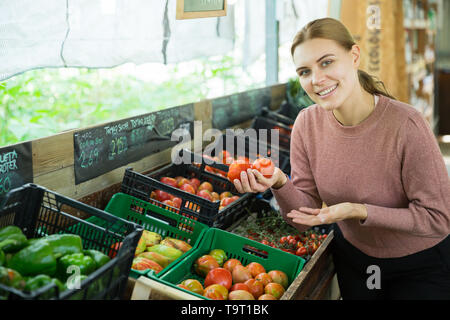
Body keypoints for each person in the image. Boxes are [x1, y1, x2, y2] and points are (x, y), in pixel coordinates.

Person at [233, 17, 450, 300]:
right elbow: (303, 218)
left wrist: (358, 210)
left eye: (326, 62)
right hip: (356, 262)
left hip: (420, 266)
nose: (316, 80)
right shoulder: (307, 124)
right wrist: (279, 181)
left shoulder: (406, 124)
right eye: (304, 71)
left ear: (354, 56)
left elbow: (437, 218)